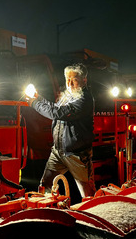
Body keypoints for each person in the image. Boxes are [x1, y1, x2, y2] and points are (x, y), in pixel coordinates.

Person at [26, 63, 96, 198]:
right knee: (45, 186)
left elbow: (57, 113)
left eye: (74, 79)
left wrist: (34, 103)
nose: (69, 83)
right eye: (67, 79)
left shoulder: (84, 100)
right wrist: (38, 98)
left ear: (84, 80)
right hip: (58, 152)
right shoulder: (68, 96)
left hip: (77, 155)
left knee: (88, 195)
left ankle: (93, 215)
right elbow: (54, 107)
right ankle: (46, 214)